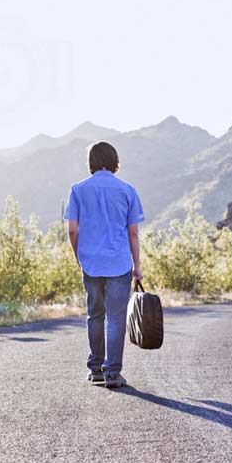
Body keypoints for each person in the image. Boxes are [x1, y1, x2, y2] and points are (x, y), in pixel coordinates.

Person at [64, 141, 144, 389]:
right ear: (114, 160)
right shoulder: (127, 190)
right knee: (116, 319)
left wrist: (79, 257)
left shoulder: (78, 189)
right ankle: (112, 374)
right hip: (119, 263)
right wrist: (137, 265)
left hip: (91, 262)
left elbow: (72, 229)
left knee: (95, 315)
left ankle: (96, 369)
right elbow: (133, 234)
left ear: (91, 162)